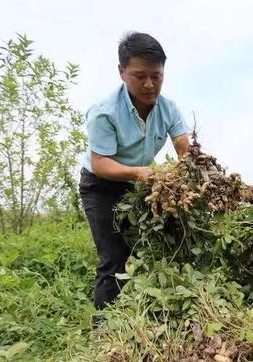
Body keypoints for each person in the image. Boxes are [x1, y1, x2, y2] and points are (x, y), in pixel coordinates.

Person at [79, 32, 189, 310]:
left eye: (157, 75)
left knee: (145, 250)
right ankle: (106, 332)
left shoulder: (169, 110)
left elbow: (186, 153)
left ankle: (141, 315)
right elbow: (100, 163)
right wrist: (140, 173)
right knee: (113, 258)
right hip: (99, 185)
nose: (150, 84)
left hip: (137, 183)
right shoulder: (105, 111)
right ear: (122, 72)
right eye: (140, 76)